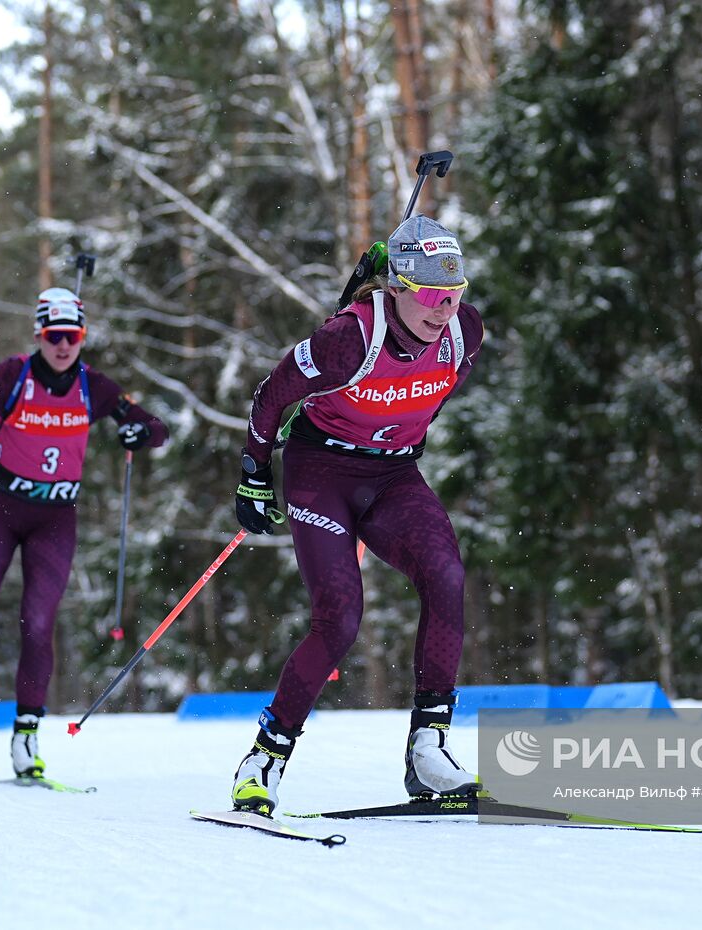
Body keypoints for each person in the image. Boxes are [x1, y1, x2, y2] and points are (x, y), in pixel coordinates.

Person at [230, 215, 485, 815]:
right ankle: (263, 758)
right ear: (393, 288)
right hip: (322, 475)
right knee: (340, 619)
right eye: (427, 294)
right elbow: (272, 395)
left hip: (393, 474)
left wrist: (398, 430)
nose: (442, 308)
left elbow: (436, 386)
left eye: (453, 293)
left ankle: (429, 750)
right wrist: (254, 473)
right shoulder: (348, 337)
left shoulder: (464, 333)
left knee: (447, 577)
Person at [0, 286, 169, 780]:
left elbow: (155, 426)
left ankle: (26, 741)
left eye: (72, 336)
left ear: (82, 336)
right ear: (39, 335)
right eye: (53, 336)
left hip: (54, 518)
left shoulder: (95, 386)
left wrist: (140, 433)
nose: (63, 346)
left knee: (39, 625)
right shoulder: (11, 375)